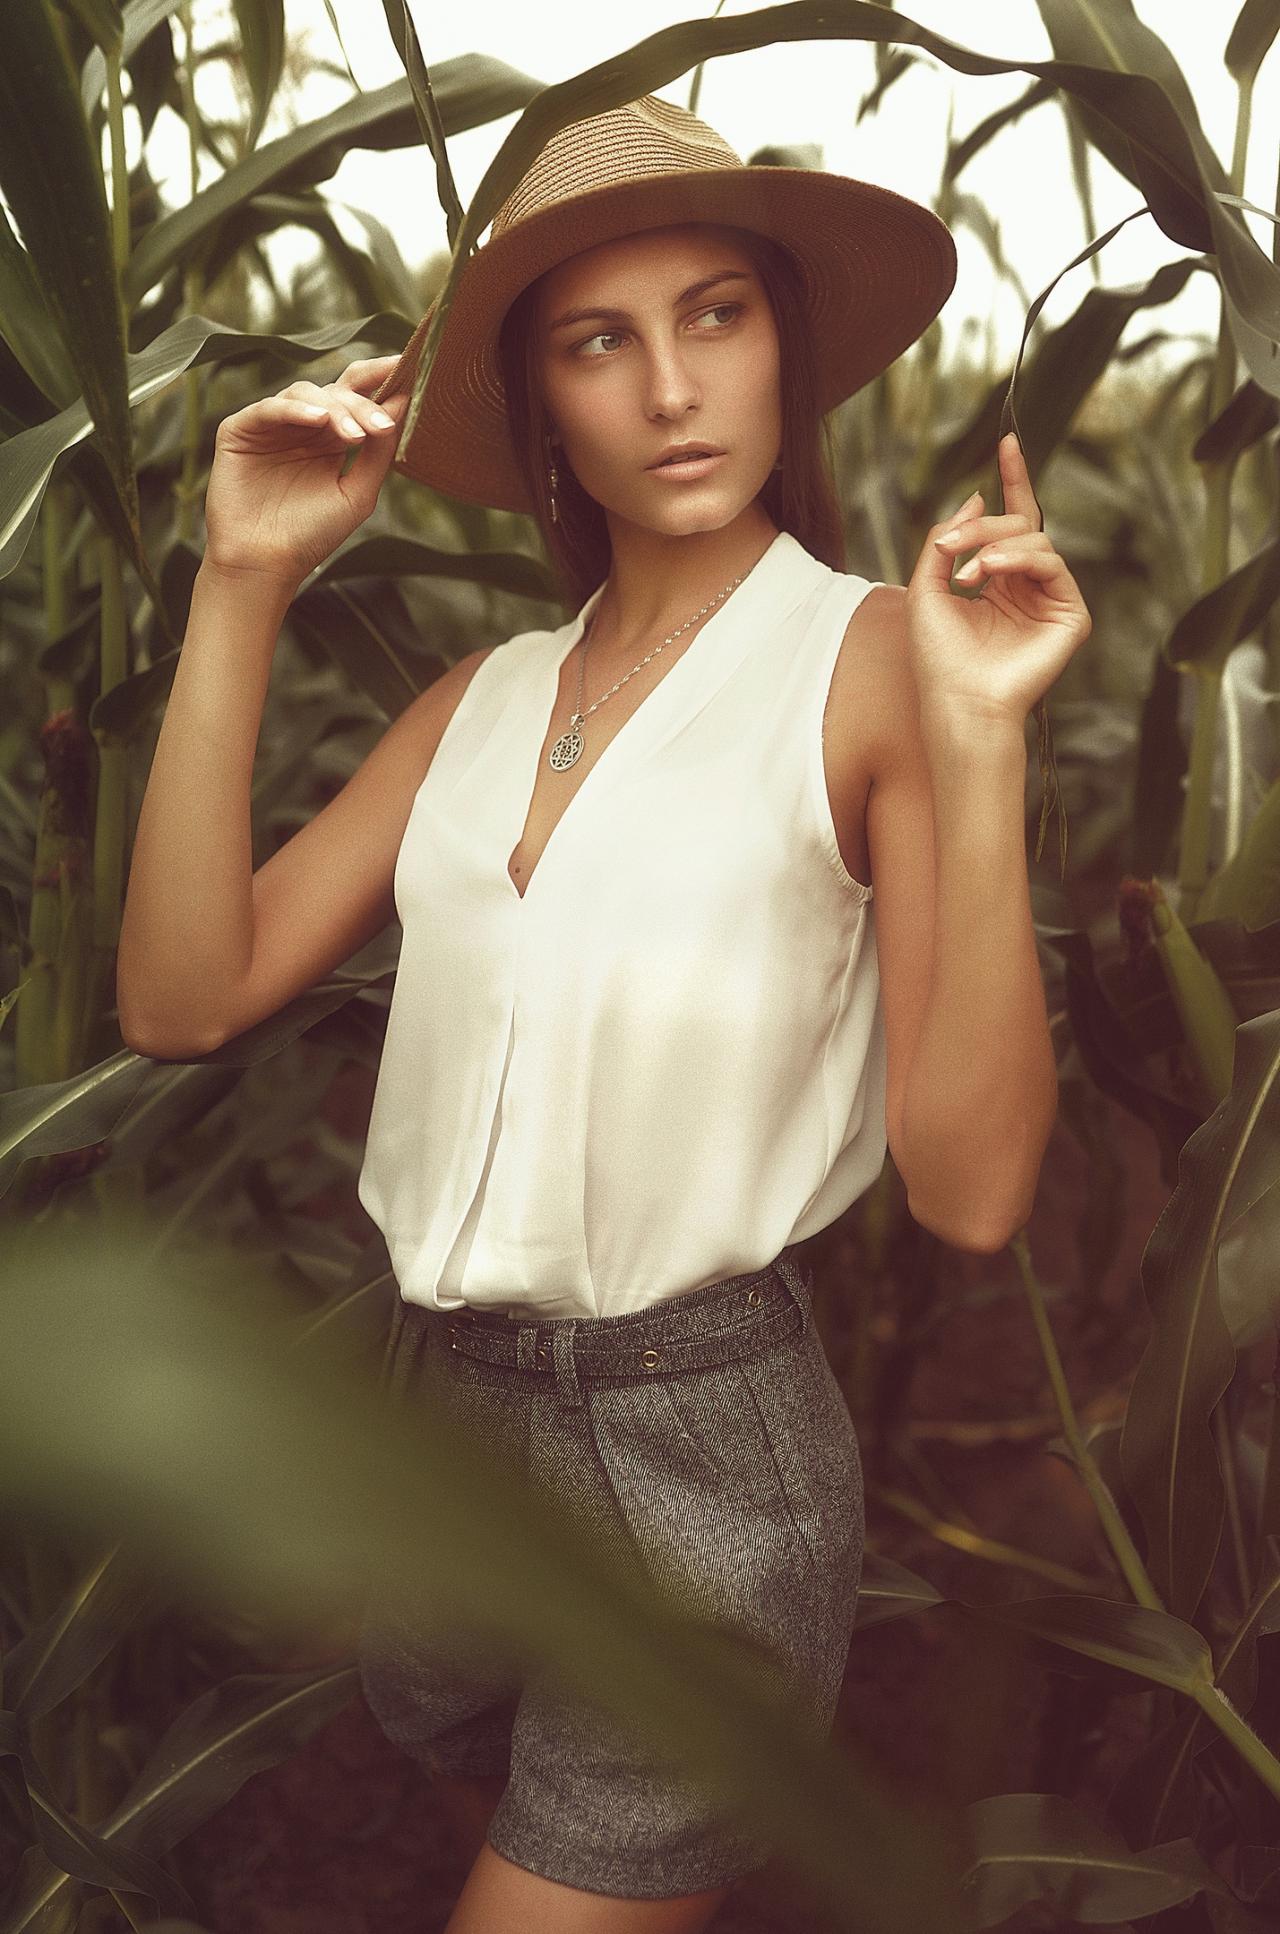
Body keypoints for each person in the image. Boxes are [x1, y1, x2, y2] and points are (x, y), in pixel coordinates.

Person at [117, 90, 1089, 1934]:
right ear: (542, 400)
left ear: (785, 345)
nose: (672, 387)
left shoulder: (875, 661)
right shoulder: (482, 698)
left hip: (698, 1454)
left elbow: (972, 1193)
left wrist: (978, 741)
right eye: (599, 340)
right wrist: (242, 578)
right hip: (444, 1430)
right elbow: (182, 993)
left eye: (717, 314)